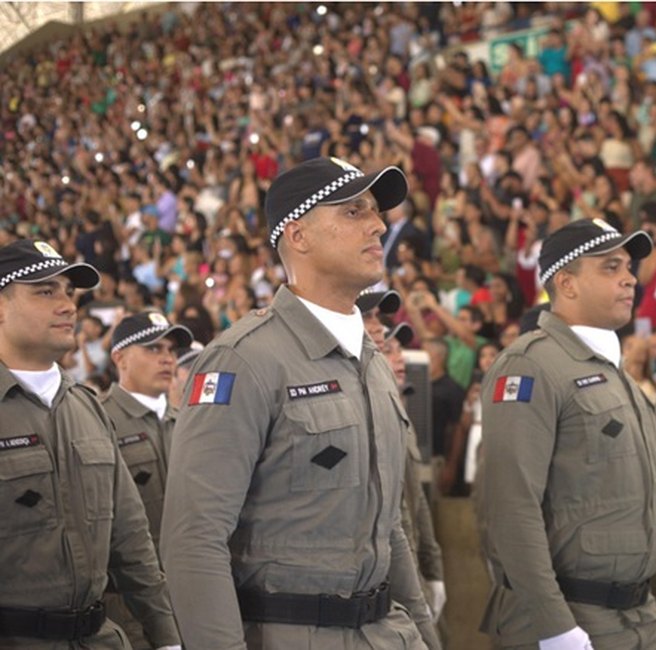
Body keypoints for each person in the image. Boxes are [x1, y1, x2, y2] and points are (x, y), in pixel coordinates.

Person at [160, 157, 440, 648]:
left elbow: (388, 527)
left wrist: (424, 633)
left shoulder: (371, 362)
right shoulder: (243, 360)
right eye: (353, 212)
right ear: (299, 236)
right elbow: (194, 541)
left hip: (386, 631)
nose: (378, 224)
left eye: (375, 211)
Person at [476, 218, 656, 649]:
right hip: (573, 611)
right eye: (610, 267)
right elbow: (511, 505)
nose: (629, 279)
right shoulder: (531, 365)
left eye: (629, 267)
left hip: (638, 610)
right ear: (566, 284)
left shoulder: (612, 372)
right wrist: (554, 626)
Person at [0, 239, 180, 648]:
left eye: (68, 292)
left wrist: (167, 636)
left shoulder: (88, 408)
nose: (67, 305)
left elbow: (131, 538)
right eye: (45, 291)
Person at [100, 311, 194, 648]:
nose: (167, 358)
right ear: (120, 358)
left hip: (189, 598)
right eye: (153, 348)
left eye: (170, 350)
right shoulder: (100, 421)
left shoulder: (186, 422)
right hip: (127, 608)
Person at [358, 290, 448, 622]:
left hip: (406, 563)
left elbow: (413, 504)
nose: (379, 329)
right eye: (368, 318)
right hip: (376, 577)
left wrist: (431, 567)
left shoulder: (396, 412)